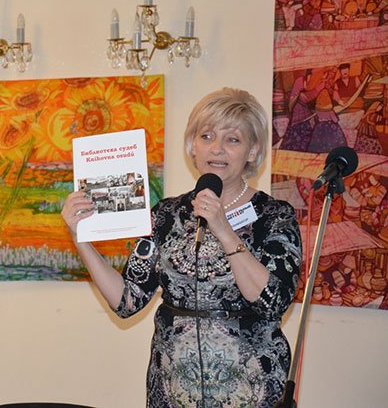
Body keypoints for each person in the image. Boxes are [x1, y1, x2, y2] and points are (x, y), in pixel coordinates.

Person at [62, 88, 302, 408]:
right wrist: (81, 237)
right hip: (173, 389)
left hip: (251, 390)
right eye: (206, 136)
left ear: (253, 150)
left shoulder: (274, 216)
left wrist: (223, 229)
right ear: (193, 145)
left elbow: (273, 303)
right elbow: (127, 300)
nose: (217, 148)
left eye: (232, 139)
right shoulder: (166, 214)